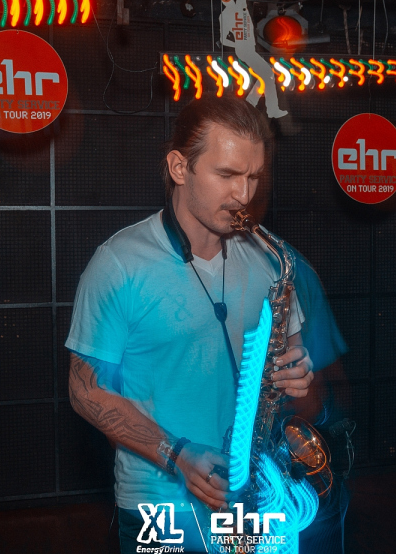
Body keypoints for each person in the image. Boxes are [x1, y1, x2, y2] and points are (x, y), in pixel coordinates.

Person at [67, 95, 314, 553]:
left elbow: (291, 351)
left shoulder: (269, 262)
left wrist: (297, 369)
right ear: (180, 168)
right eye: (227, 175)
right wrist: (175, 453)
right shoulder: (120, 264)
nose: (244, 195)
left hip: (250, 497)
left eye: (253, 177)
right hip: (159, 507)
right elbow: (84, 391)